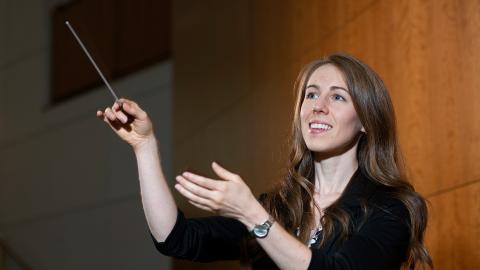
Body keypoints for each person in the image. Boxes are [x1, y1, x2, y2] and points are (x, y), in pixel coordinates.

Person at [97, 53, 433, 269]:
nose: (318, 105)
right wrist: (144, 146)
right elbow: (175, 238)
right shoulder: (280, 207)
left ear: (366, 121)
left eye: (338, 96)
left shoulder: (392, 208)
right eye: (312, 94)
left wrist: (254, 217)